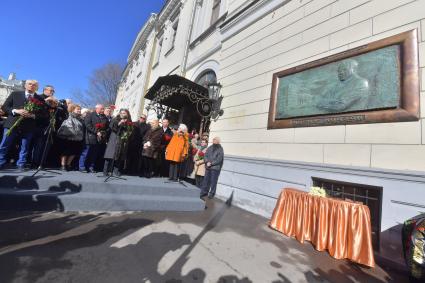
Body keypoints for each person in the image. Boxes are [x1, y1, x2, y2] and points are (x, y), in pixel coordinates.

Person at [0, 80, 47, 171]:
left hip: (28, 126)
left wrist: (33, 115)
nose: (32, 86)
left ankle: (21, 164)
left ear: (37, 88)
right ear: (25, 85)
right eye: (30, 84)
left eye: (34, 85)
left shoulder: (40, 99)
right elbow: (5, 107)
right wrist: (16, 111)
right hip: (12, 124)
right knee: (5, 144)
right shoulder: (15, 94)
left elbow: (44, 115)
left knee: (25, 146)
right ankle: (0, 162)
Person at [79, 104, 109, 173]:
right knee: (86, 153)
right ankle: (82, 167)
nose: (103, 110)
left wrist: (103, 132)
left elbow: (107, 127)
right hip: (89, 137)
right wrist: (96, 132)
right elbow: (88, 125)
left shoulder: (104, 117)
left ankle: (91, 167)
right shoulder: (90, 115)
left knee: (94, 154)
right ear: (97, 109)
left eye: (103, 109)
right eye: (101, 109)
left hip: (99, 139)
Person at [103, 109, 133, 176]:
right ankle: (106, 170)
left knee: (119, 156)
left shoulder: (129, 121)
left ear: (127, 114)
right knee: (110, 154)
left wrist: (127, 131)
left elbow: (130, 131)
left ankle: (115, 171)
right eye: (121, 113)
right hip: (114, 138)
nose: (122, 114)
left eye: (124, 113)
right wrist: (119, 124)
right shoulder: (115, 119)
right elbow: (112, 128)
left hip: (122, 140)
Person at [56, 104, 84, 171]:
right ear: (73, 109)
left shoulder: (80, 118)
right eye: (78, 109)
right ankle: (63, 165)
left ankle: (68, 164)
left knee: (73, 152)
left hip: (77, 138)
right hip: (67, 137)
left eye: (80, 109)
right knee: (65, 152)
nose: (79, 111)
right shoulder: (68, 116)